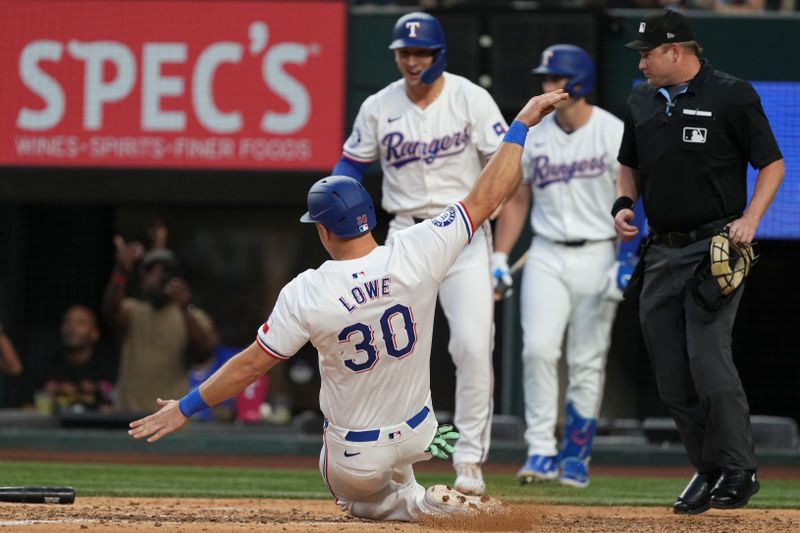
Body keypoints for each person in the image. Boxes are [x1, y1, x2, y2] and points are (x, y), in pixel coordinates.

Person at [129, 89, 569, 521]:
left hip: (356, 456)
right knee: (395, 463)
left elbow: (250, 367)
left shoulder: (306, 291)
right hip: (423, 432)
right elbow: (488, 196)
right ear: (369, 217)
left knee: (354, 498)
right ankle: (418, 491)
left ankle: (417, 504)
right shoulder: (418, 248)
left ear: (323, 231)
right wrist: (521, 124)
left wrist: (184, 407)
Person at [331, 11, 509, 495]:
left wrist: (499, 246)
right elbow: (352, 161)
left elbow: (506, 163)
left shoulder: (471, 98)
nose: (412, 61)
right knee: (393, 353)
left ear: (438, 55)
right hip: (406, 235)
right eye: (404, 53)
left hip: (462, 232)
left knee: (472, 347)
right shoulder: (377, 105)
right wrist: (332, 192)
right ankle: (395, 463)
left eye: (421, 52)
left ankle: (468, 460)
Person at [615, 10, 784, 514]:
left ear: (676, 51)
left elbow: (772, 163)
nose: (642, 61)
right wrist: (624, 206)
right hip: (659, 250)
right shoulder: (641, 100)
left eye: (648, 52)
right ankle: (707, 468)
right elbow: (628, 165)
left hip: (713, 248)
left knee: (708, 360)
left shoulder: (732, 94)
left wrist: (751, 218)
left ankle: (739, 469)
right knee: (670, 373)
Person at [492, 45, 626, 489]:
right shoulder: (537, 133)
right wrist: (500, 256)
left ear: (578, 83)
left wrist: (626, 259)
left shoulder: (611, 131)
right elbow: (517, 197)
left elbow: (637, 200)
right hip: (547, 251)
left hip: (598, 250)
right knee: (538, 351)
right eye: (545, 80)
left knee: (587, 358)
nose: (547, 88)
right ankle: (540, 450)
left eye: (555, 80)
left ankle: (577, 452)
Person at [104, 243, 217, 413]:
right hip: (128, 416)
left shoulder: (192, 316)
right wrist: (121, 271)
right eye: (151, 272)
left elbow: (204, 351)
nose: (156, 278)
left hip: (170, 419)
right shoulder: (134, 311)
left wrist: (184, 308)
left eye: (164, 272)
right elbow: (110, 311)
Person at [26, 305, 115, 413]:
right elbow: (28, 407)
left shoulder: (107, 368)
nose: (72, 327)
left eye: (81, 323)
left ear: (94, 333)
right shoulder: (45, 367)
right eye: (67, 321)